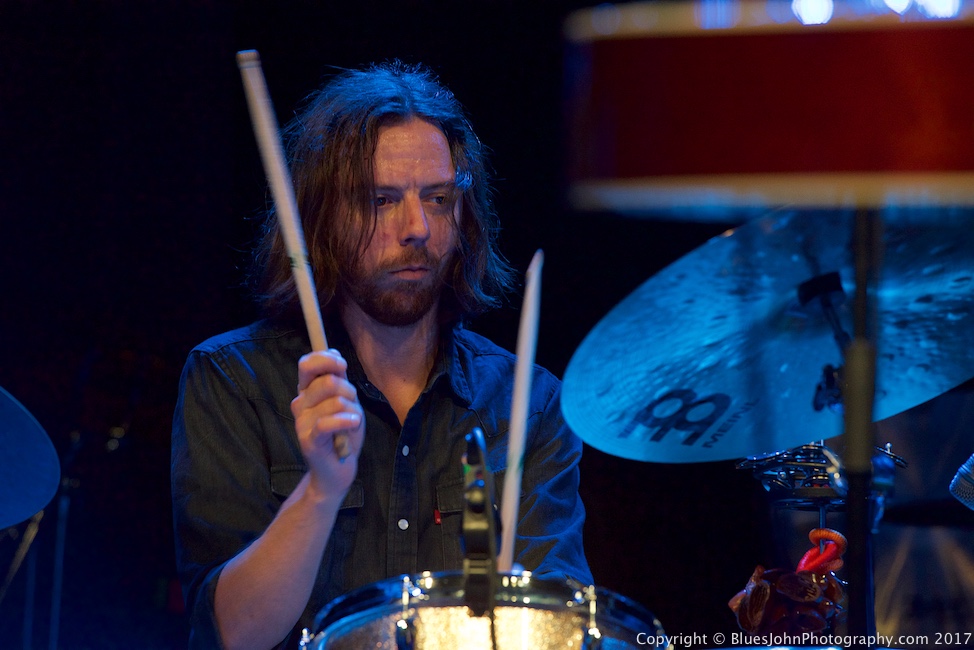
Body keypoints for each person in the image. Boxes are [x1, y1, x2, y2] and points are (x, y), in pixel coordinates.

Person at [171, 61, 592, 650]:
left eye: (439, 198)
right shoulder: (233, 380)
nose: (417, 227)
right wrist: (319, 491)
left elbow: (561, 633)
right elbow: (234, 633)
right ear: (321, 216)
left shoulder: (530, 404)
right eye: (380, 200)